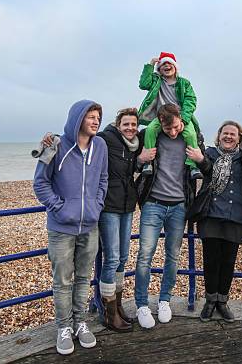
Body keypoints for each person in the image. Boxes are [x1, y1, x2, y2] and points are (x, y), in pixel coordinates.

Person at [33, 100, 108, 355]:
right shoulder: (55, 144)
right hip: (61, 229)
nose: (96, 121)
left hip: (90, 226)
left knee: (84, 278)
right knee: (63, 280)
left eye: (98, 117)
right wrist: (61, 208)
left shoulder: (101, 146)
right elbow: (40, 184)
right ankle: (63, 327)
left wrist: (97, 206)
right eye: (91, 117)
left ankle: (80, 322)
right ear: (78, 118)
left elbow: (103, 180)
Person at [134, 103, 203, 329]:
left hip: (179, 206)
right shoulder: (150, 135)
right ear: (159, 124)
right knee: (145, 255)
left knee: (172, 256)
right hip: (153, 203)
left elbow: (207, 163)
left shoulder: (192, 136)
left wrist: (201, 159)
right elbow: (125, 150)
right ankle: (142, 304)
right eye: (167, 129)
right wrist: (141, 160)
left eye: (175, 127)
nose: (172, 132)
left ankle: (165, 299)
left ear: (180, 119)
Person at [187, 121, 242, 323]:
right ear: (219, 135)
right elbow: (205, 170)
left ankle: (223, 301)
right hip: (211, 214)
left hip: (235, 216)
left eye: (233, 134)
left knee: (228, 262)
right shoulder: (210, 154)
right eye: (225, 133)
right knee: (211, 261)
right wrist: (200, 160)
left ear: (239, 137)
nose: (229, 136)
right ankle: (210, 300)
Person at [95, 108, 141, 332]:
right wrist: (53, 137)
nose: (130, 128)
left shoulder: (135, 144)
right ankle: (108, 313)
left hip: (127, 205)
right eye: (126, 124)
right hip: (109, 206)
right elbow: (81, 137)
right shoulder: (106, 138)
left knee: (123, 257)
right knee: (111, 258)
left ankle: (119, 307)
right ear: (118, 124)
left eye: (134, 124)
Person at [137, 52, 202, 179]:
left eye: (169, 63)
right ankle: (148, 162)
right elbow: (143, 84)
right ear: (159, 69)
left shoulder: (184, 83)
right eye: (163, 64)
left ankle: (193, 165)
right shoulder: (156, 81)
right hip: (161, 117)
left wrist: (183, 118)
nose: (167, 66)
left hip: (179, 117)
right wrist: (150, 65)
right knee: (150, 130)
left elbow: (191, 100)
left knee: (191, 134)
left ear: (175, 67)